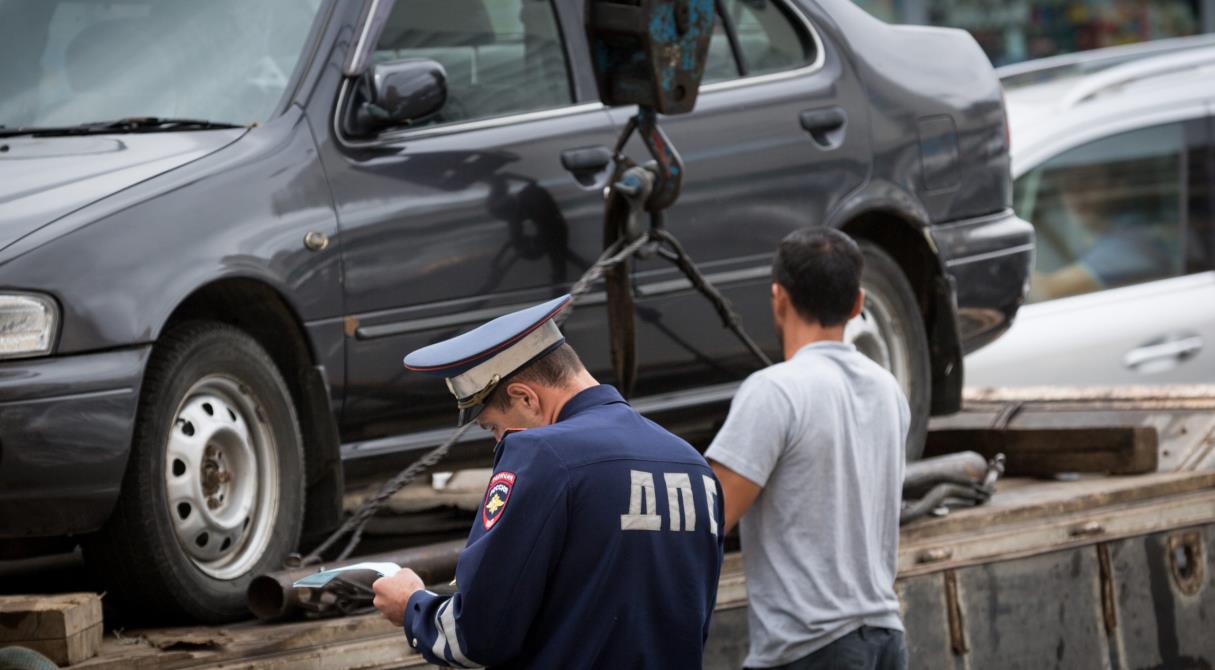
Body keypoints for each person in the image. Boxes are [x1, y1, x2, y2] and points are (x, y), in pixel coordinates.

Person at [372, 294, 725, 669]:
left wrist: (413, 607)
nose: (496, 440)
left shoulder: (540, 453)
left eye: (492, 426)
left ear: (525, 397)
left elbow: (477, 636)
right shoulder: (692, 464)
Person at [705, 228, 909, 670]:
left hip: (812, 647)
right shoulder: (888, 389)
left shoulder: (775, 391)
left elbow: (709, 518)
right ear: (857, 304)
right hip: (886, 638)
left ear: (778, 297)